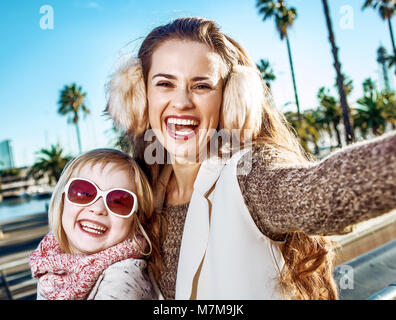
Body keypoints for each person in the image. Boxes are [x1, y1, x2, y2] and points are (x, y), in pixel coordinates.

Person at [105, 17, 396, 300]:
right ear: (139, 96)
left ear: (231, 99)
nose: (181, 102)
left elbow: (325, 192)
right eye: (165, 83)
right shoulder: (141, 193)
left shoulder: (249, 174)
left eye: (202, 85)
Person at [29, 148, 162, 300]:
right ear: (62, 200)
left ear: (136, 219)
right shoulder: (51, 265)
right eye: (84, 193)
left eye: (119, 201)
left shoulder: (125, 276)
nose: (98, 209)